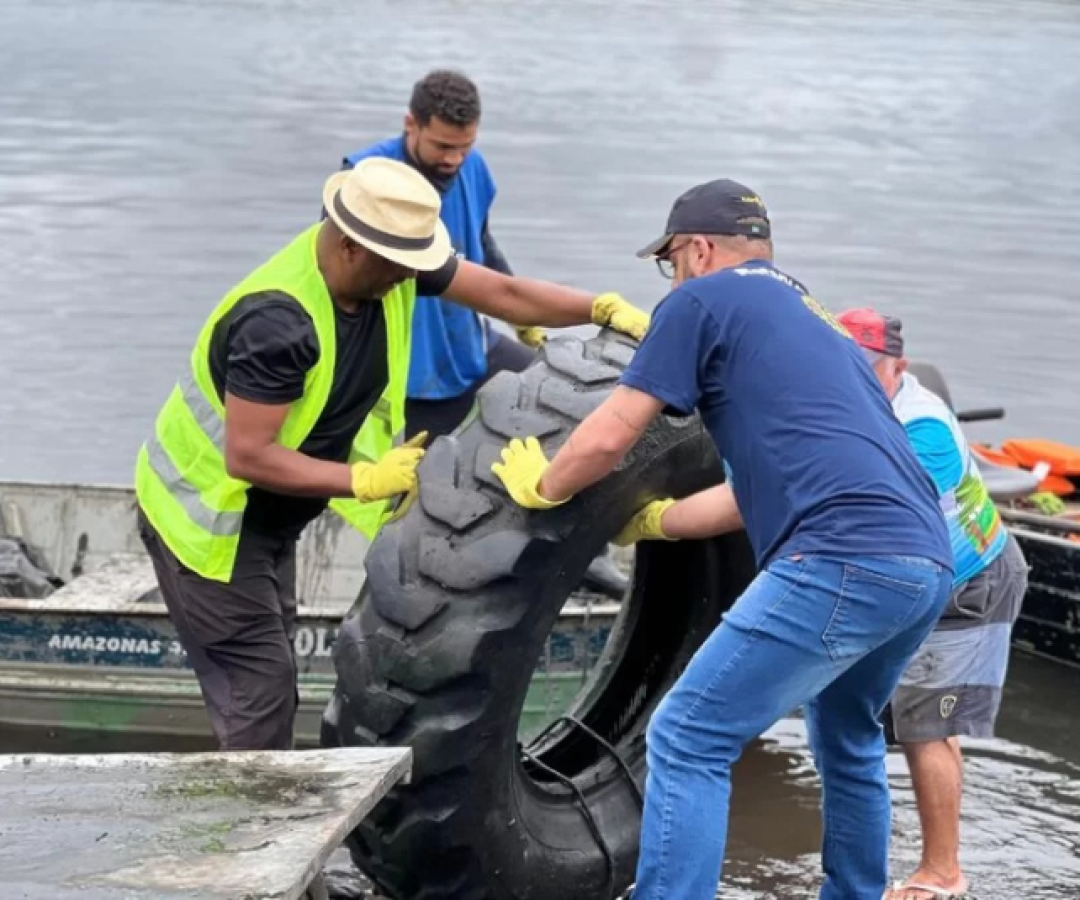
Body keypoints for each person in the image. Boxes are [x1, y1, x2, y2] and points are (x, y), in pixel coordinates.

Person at [490, 178, 954, 900]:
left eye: (669, 261)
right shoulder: (817, 324)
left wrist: (545, 484)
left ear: (698, 249)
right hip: (924, 560)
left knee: (687, 735)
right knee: (849, 735)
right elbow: (754, 488)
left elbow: (613, 431)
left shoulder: (698, 301)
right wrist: (654, 523)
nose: (670, 277)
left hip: (840, 557)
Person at [134, 156, 648, 752]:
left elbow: (501, 293)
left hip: (272, 518)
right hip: (206, 524)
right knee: (261, 687)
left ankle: (258, 808)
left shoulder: (388, 265)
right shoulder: (277, 326)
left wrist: (597, 309)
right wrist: (364, 479)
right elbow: (247, 456)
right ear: (352, 246)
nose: (412, 278)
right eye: (400, 266)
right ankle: (248, 837)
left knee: (274, 666)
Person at [342, 68, 629, 597]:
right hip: (410, 375)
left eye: (464, 146)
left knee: (574, 407)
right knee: (415, 513)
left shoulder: (472, 169)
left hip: (468, 349)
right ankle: (394, 607)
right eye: (442, 146)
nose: (453, 159)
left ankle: (586, 553)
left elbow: (483, 246)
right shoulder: (365, 180)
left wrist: (522, 314)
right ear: (411, 125)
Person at [838, 308, 1029, 900]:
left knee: (928, 725)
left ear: (898, 364)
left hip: (970, 585)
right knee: (924, 723)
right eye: (849, 370)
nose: (861, 382)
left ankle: (942, 875)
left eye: (872, 370)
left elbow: (877, 515)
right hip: (929, 580)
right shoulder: (858, 402)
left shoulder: (924, 428)